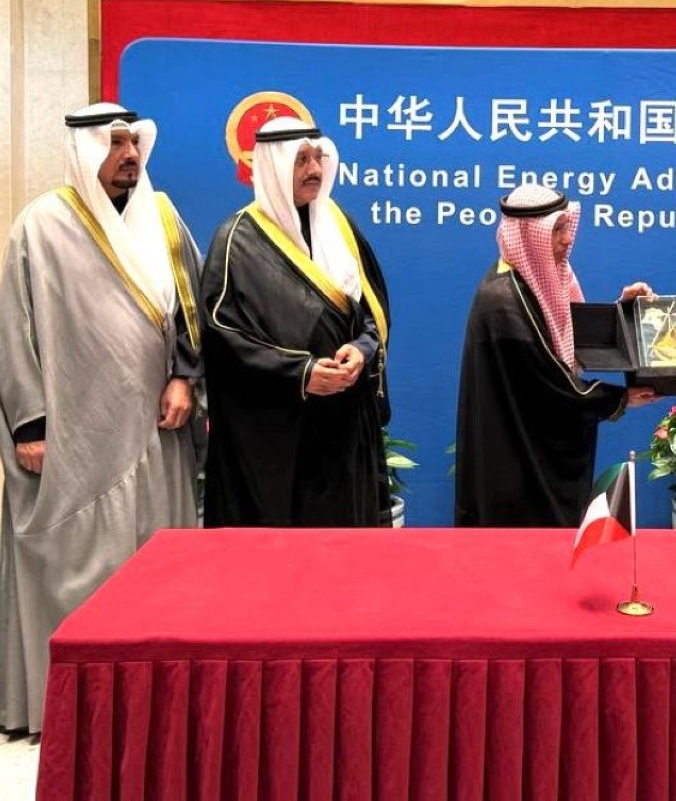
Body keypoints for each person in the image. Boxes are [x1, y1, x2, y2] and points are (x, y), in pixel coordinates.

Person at [0, 103, 203, 733]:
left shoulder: (163, 218)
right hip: (74, 436)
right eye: (114, 145)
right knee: (74, 571)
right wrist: (29, 425)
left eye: (134, 143)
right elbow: (14, 329)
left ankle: (156, 709)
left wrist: (184, 377)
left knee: (156, 570)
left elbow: (191, 312)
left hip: (155, 432)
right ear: (84, 151)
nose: (129, 156)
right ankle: (66, 709)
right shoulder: (40, 226)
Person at [201, 116, 391, 527]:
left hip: (343, 424)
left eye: (318, 158)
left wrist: (362, 350)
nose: (315, 169)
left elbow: (371, 313)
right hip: (275, 436)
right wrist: (301, 373)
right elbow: (222, 337)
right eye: (301, 160)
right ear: (274, 166)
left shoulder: (339, 227)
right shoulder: (237, 239)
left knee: (344, 545)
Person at [455, 184, 656, 527]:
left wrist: (624, 312)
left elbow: (570, 336)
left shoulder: (531, 277)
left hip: (530, 447)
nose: (567, 239)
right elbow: (550, 383)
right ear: (528, 235)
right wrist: (618, 398)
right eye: (556, 230)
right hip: (517, 462)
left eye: (567, 227)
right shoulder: (502, 300)